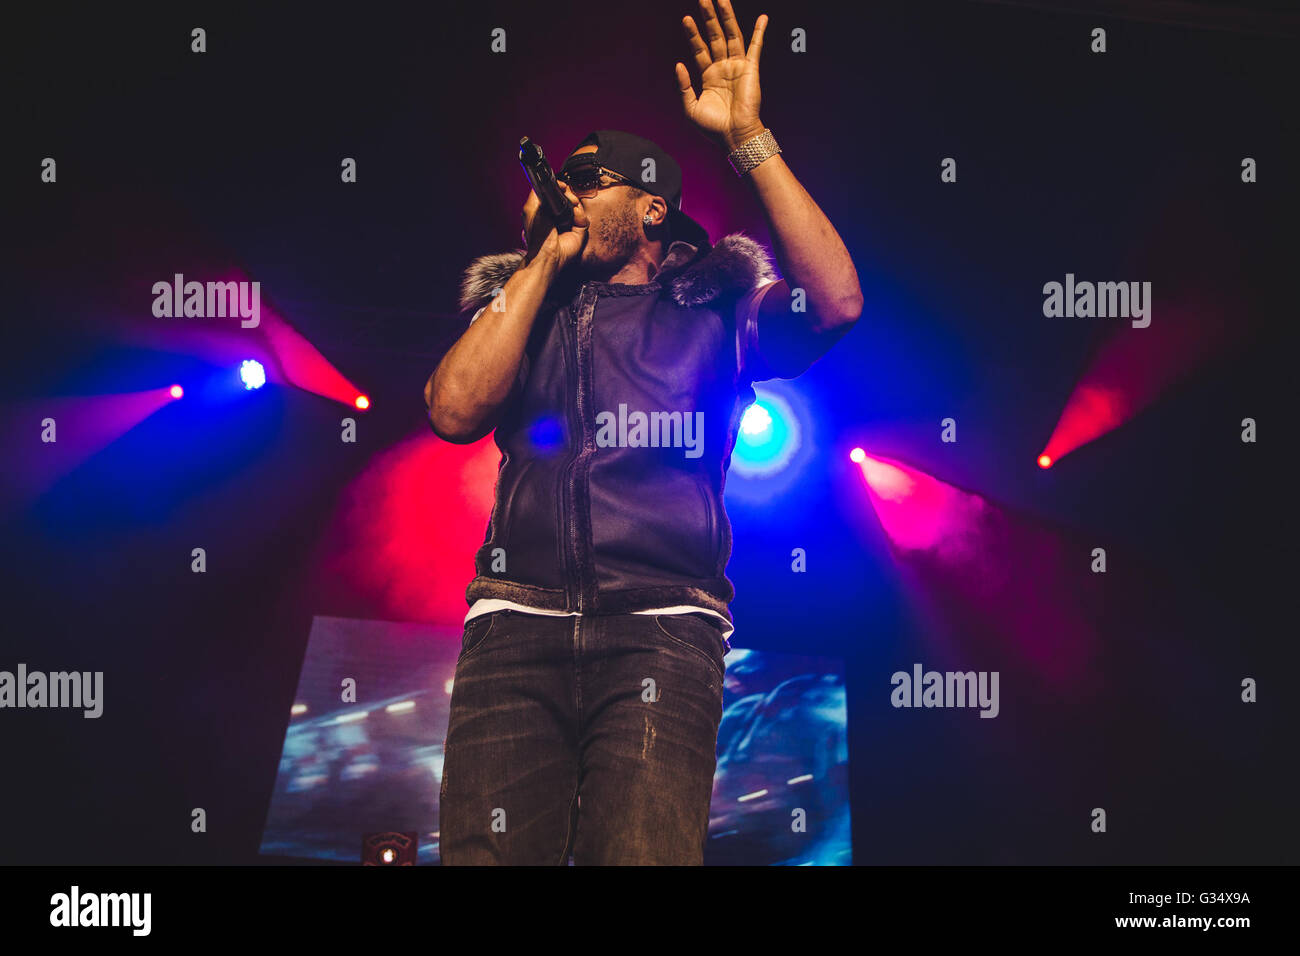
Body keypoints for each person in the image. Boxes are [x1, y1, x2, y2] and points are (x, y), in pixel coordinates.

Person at [426, 0, 861, 864]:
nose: (565, 199)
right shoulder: (524, 309)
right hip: (515, 626)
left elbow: (837, 302)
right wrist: (545, 259)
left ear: (653, 210)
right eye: (555, 190)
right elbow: (452, 410)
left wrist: (750, 142)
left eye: (590, 185)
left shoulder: (711, 308)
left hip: (661, 627)